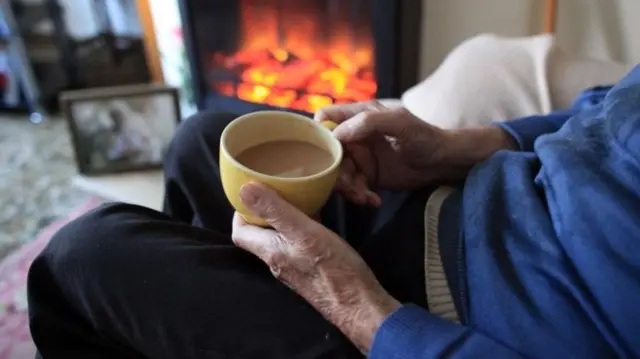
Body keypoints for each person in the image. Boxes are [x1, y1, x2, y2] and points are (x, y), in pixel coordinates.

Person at [27, 61, 640, 358]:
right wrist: (457, 149)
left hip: (450, 330)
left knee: (84, 258)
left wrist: (365, 314)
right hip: (459, 205)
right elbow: (604, 112)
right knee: (203, 141)